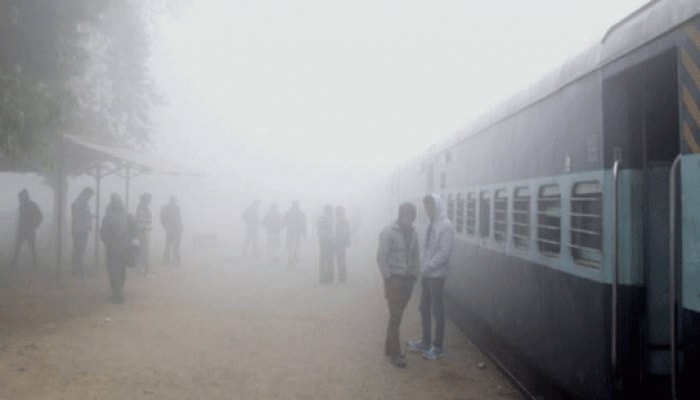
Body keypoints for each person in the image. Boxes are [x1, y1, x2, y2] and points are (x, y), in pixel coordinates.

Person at [407, 194, 454, 360]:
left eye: (431, 207)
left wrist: (428, 266)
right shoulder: (431, 224)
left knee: (437, 310)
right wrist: (421, 264)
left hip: (437, 275)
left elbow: (444, 253)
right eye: (426, 207)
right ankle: (426, 341)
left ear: (438, 206)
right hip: (427, 274)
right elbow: (427, 249)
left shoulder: (446, 225)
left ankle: (438, 347)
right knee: (423, 307)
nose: (428, 210)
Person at [377, 202, 420, 368]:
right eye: (407, 217)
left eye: (412, 217)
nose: (409, 220)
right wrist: (388, 279)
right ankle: (395, 354)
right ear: (400, 216)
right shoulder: (388, 232)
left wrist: (415, 275)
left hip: (408, 280)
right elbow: (381, 257)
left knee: (397, 315)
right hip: (394, 279)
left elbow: (415, 255)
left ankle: (389, 348)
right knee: (395, 316)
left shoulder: (414, 233)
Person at [100, 194, 137, 304]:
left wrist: (130, 242)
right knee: (114, 272)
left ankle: (118, 291)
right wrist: (110, 243)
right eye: (115, 202)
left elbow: (134, 231)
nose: (117, 204)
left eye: (118, 202)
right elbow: (104, 233)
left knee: (120, 272)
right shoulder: (109, 217)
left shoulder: (127, 216)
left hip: (122, 249)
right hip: (113, 249)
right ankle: (118, 293)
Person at [9, 189, 43, 270]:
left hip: (29, 230)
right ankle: (14, 264)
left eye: (20, 198)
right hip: (23, 230)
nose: (19, 200)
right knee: (18, 248)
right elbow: (21, 219)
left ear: (25, 197)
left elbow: (40, 216)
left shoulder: (32, 205)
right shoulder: (22, 206)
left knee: (31, 249)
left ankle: (35, 265)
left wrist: (35, 225)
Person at [71, 187, 94, 278]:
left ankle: (76, 269)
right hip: (80, 229)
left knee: (79, 250)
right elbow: (77, 216)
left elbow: (83, 215)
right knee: (79, 250)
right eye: (89, 195)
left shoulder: (82, 202)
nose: (90, 197)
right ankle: (78, 269)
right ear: (85, 194)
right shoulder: (80, 203)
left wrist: (89, 218)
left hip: (82, 229)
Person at [160, 196, 183, 267]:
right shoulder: (175, 208)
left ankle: (167, 261)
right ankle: (175, 262)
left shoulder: (166, 208)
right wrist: (180, 226)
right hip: (174, 229)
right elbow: (178, 218)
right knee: (174, 246)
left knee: (169, 246)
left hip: (171, 229)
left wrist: (165, 226)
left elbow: (162, 218)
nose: (174, 202)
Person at [284, 201, 306, 269]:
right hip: (297, 233)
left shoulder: (288, 212)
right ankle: (295, 260)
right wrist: (304, 233)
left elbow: (284, 221)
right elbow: (303, 224)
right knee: (296, 247)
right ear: (297, 205)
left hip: (290, 232)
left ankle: (290, 261)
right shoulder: (300, 213)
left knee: (290, 247)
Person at [135, 193, 153, 276]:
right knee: (144, 251)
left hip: (144, 231)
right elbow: (141, 220)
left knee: (144, 251)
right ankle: (142, 269)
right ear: (145, 199)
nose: (150, 201)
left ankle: (141, 268)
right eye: (148, 199)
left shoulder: (143, 207)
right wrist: (146, 229)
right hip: (143, 232)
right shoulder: (142, 208)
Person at [317, 204, 334, 284]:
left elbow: (318, 229)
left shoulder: (321, 218)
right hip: (329, 241)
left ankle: (322, 278)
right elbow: (333, 231)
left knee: (323, 259)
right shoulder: (331, 219)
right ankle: (329, 278)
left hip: (322, 241)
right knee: (329, 259)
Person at [334, 205, 351, 283]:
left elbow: (344, 233)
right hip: (341, 243)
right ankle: (342, 277)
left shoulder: (341, 222)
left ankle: (341, 277)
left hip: (339, 243)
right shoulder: (344, 221)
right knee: (341, 260)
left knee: (340, 260)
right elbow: (347, 233)